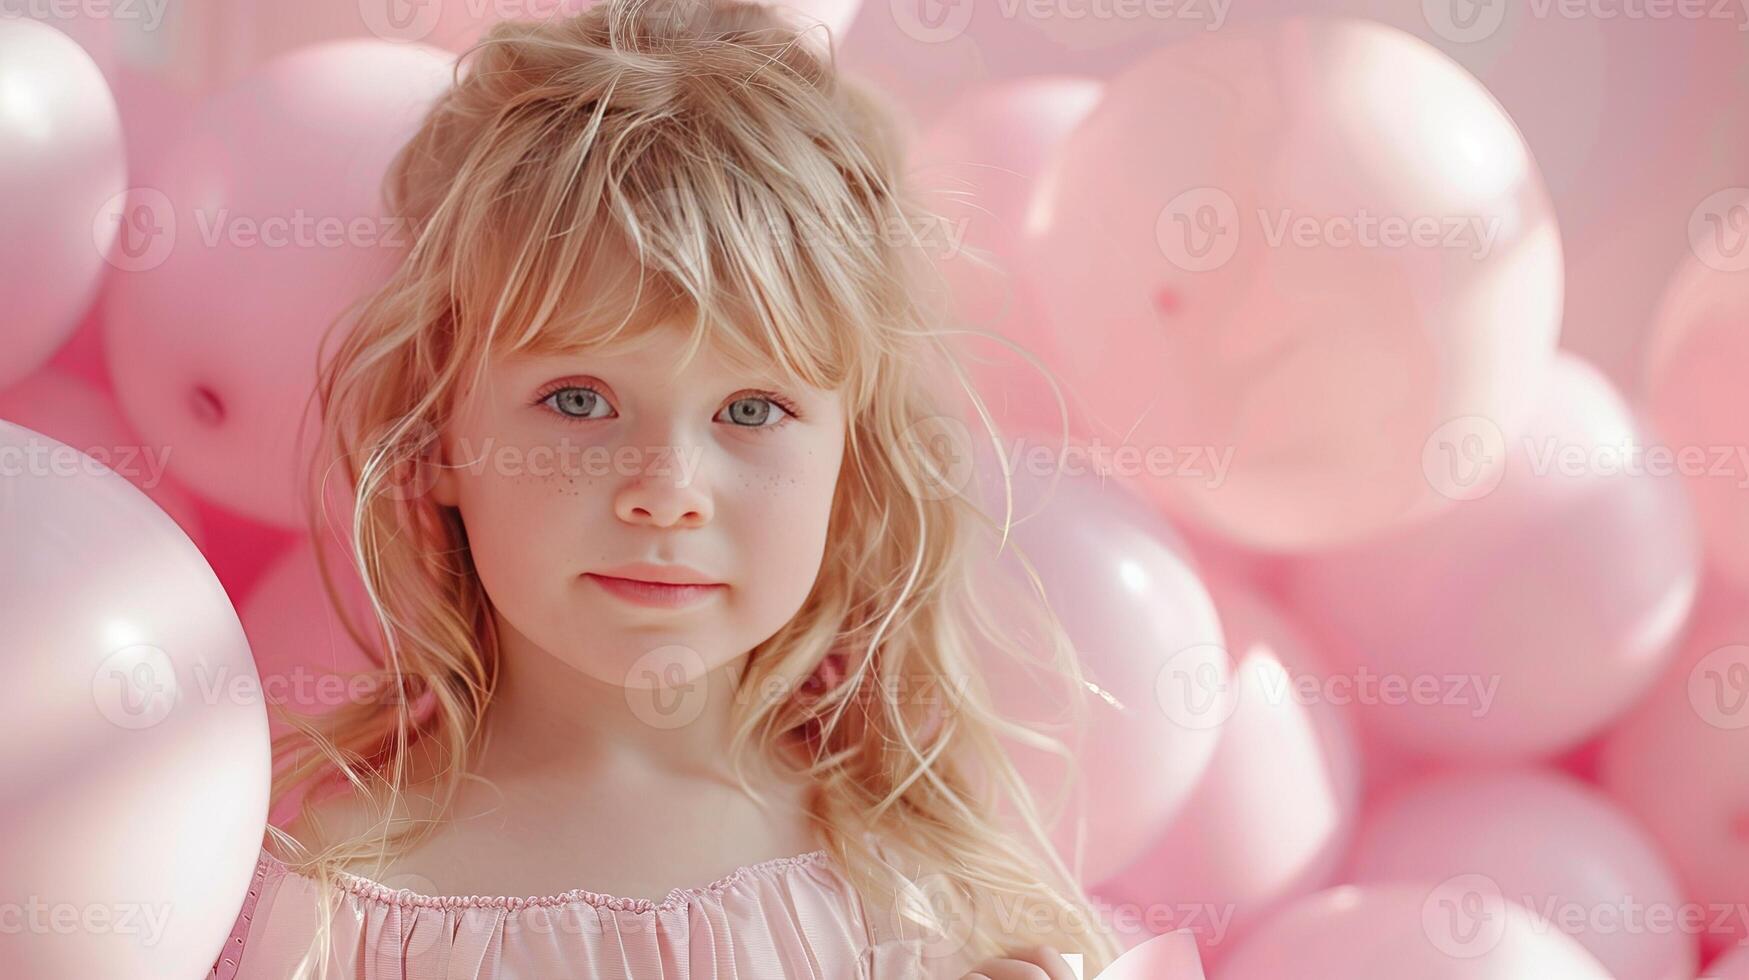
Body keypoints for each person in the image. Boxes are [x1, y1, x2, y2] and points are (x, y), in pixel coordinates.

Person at [210, 1, 1128, 976]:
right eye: (577, 398)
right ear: (436, 434)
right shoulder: (335, 911)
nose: (667, 493)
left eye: (751, 409)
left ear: (847, 460)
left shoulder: (915, 892)